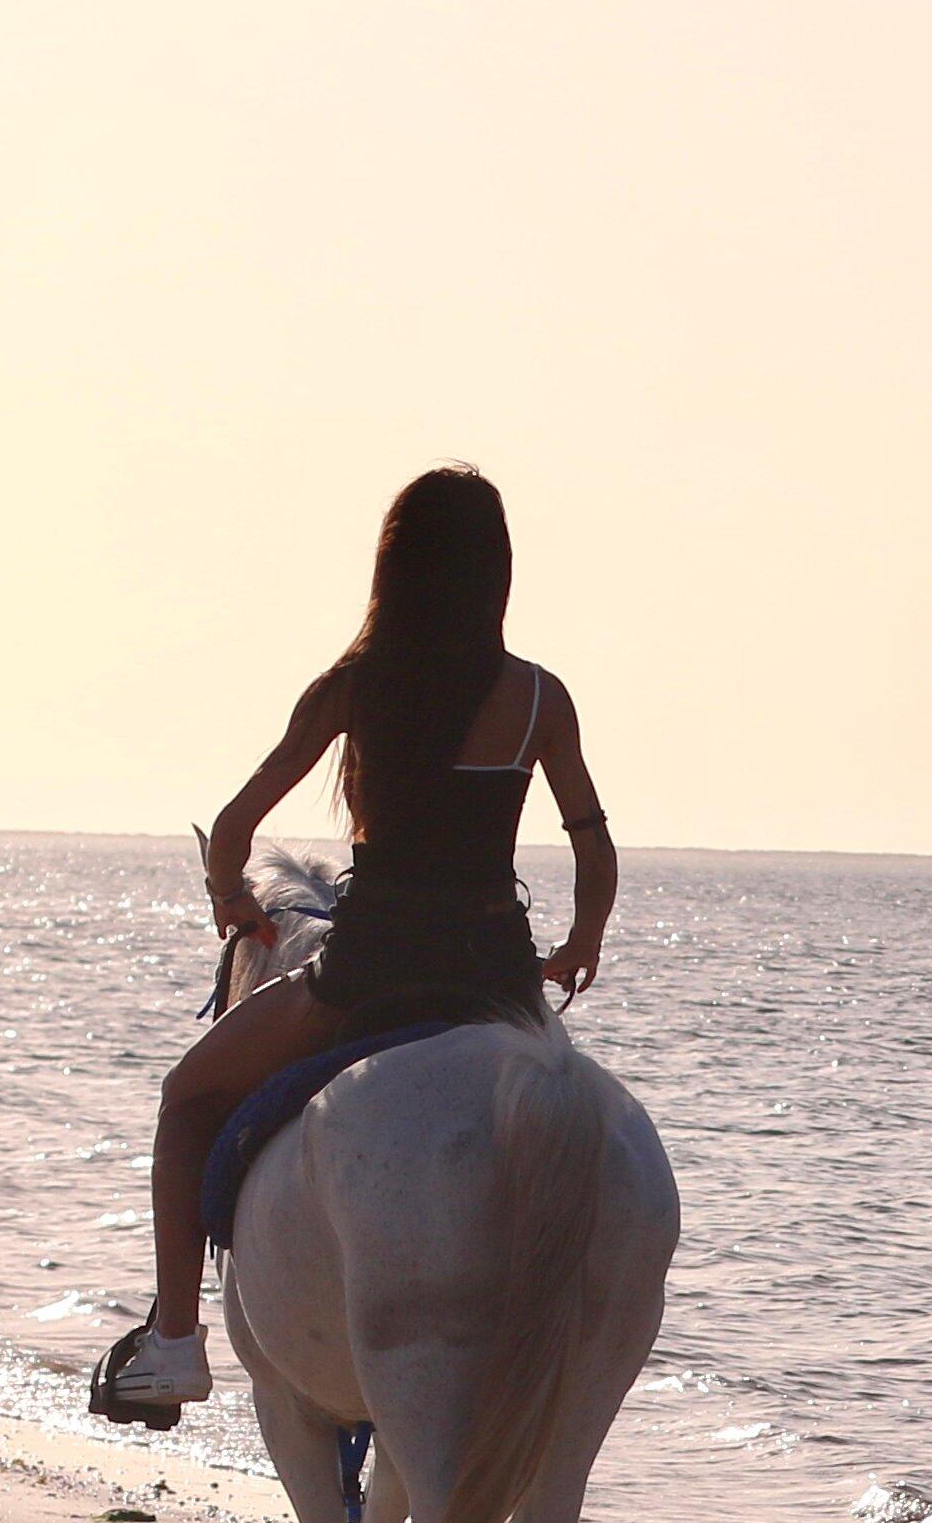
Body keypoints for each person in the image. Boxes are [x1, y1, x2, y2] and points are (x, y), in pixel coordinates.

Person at [90, 466, 617, 1425]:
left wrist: (232, 904)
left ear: (395, 571)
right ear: (497, 573)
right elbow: (592, 841)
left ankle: (172, 1342)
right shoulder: (540, 698)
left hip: (368, 972)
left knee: (187, 1097)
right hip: (495, 982)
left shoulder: (354, 688)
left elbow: (239, 819)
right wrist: (579, 941)